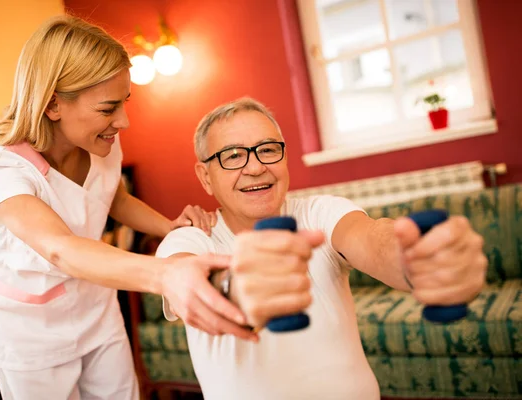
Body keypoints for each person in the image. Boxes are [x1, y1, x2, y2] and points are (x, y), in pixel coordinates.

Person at [0, 16, 255, 400]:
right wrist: (166, 274)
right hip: (30, 327)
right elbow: (59, 247)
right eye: (108, 108)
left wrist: (168, 227)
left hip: (96, 307)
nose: (123, 121)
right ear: (53, 104)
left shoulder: (100, 144)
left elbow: (112, 198)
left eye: (124, 103)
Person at [155, 97, 488, 400]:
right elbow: (190, 285)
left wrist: (416, 259)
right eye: (233, 156)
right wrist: (237, 288)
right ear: (206, 177)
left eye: (268, 149)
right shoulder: (190, 239)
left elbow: (370, 238)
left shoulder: (320, 212)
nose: (255, 167)